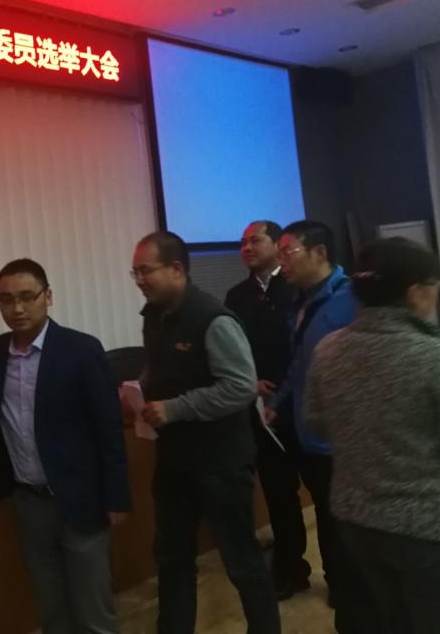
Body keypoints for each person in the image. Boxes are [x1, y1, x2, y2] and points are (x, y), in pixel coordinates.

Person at [0, 258, 129, 634]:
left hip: (82, 498)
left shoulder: (81, 349)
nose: (17, 308)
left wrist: (116, 496)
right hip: (30, 502)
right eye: (6, 299)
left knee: (93, 611)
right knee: (50, 608)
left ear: (48, 296)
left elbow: (108, 428)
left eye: (27, 297)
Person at [131, 231, 279, 634]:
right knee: (172, 559)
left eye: (146, 271)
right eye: (135, 272)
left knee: (242, 561)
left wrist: (174, 408)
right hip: (175, 461)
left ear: (177, 269)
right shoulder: (154, 315)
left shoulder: (212, 318)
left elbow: (240, 387)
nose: (139, 280)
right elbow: (158, 368)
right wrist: (138, 390)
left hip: (221, 463)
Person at [304, 237, 440, 634]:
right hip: (426, 527)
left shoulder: (328, 349)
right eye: (435, 286)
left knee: (379, 618)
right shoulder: (436, 357)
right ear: (416, 292)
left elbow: (313, 422)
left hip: (354, 518)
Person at [263, 220, 356, 623]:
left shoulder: (353, 298)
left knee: (341, 519)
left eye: (288, 252)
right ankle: (338, 583)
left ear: (320, 253)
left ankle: (348, 587)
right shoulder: (299, 302)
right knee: (324, 513)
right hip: (307, 431)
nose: (281, 262)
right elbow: (298, 364)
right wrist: (277, 403)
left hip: (343, 437)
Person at [224, 220, 310, 599]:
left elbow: (304, 347)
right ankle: (291, 568)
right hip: (262, 409)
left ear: (277, 246)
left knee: (323, 492)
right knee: (278, 492)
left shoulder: (296, 288)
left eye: (255, 241)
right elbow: (232, 348)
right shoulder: (237, 295)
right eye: (242, 242)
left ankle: (340, 576)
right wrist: (251, 380)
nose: (246, 248)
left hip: (302, 403)